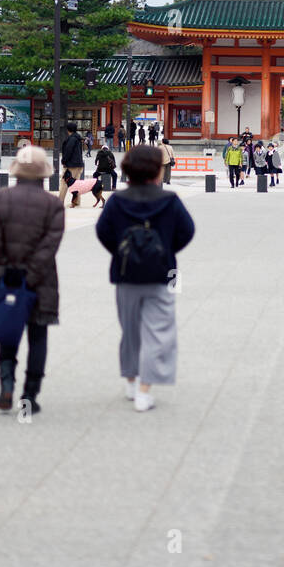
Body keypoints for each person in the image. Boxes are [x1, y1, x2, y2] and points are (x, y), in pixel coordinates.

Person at [95, 145, 196, 413]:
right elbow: (187, 231)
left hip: (125, 274)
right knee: (158, 331)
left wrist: (121, 251)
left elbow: (103, 231)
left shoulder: (117, 200)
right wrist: (166, 249)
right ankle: (144, 390)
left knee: (130, 329)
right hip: (161, 273)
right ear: (156, 170)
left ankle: (130, 381)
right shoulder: (169, 200)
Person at [0, 145, 64, 413]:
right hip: (40, 280)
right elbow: (50, 244)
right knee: (38, 335)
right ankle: (30, 395)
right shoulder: (53, 204)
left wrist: (0, 271)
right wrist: (31, 274)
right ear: (44, 175)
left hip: (3, 278)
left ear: (16, 173)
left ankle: (7, 382)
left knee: (8, 329)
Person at [59, 121, 84, 205]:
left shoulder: (71, 139)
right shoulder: (78, 138)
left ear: (68, 130)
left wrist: (64, 161)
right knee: (76, 183)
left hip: (71, 165)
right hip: (79, 164)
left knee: (64, 182)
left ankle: (60, 202)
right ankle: (76, 202)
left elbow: (68, 151)